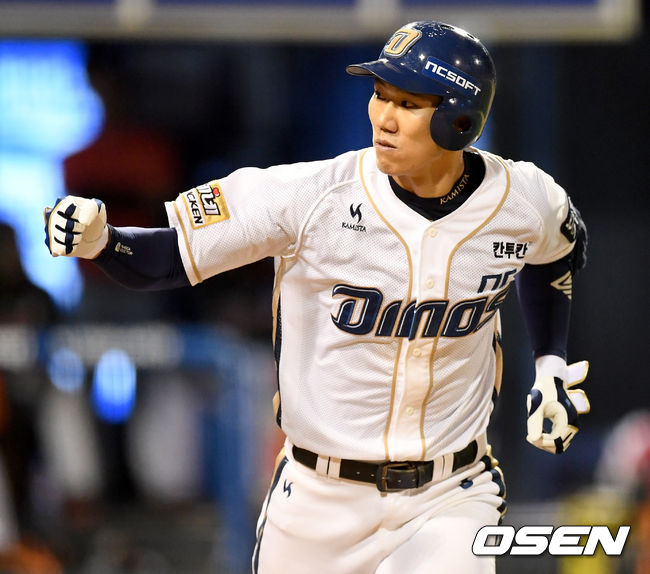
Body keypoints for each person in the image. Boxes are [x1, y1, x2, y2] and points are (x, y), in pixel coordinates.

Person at [44, 21, 591, 574]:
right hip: (317, 499)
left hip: (449, 495)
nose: (383, 117)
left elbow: (557, 251)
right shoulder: (312, 194)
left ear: (460, 120)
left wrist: (550, 363)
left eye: (407, 103)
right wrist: (103, 241)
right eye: (380, 95)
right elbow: (169, 256)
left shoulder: (523, 197)